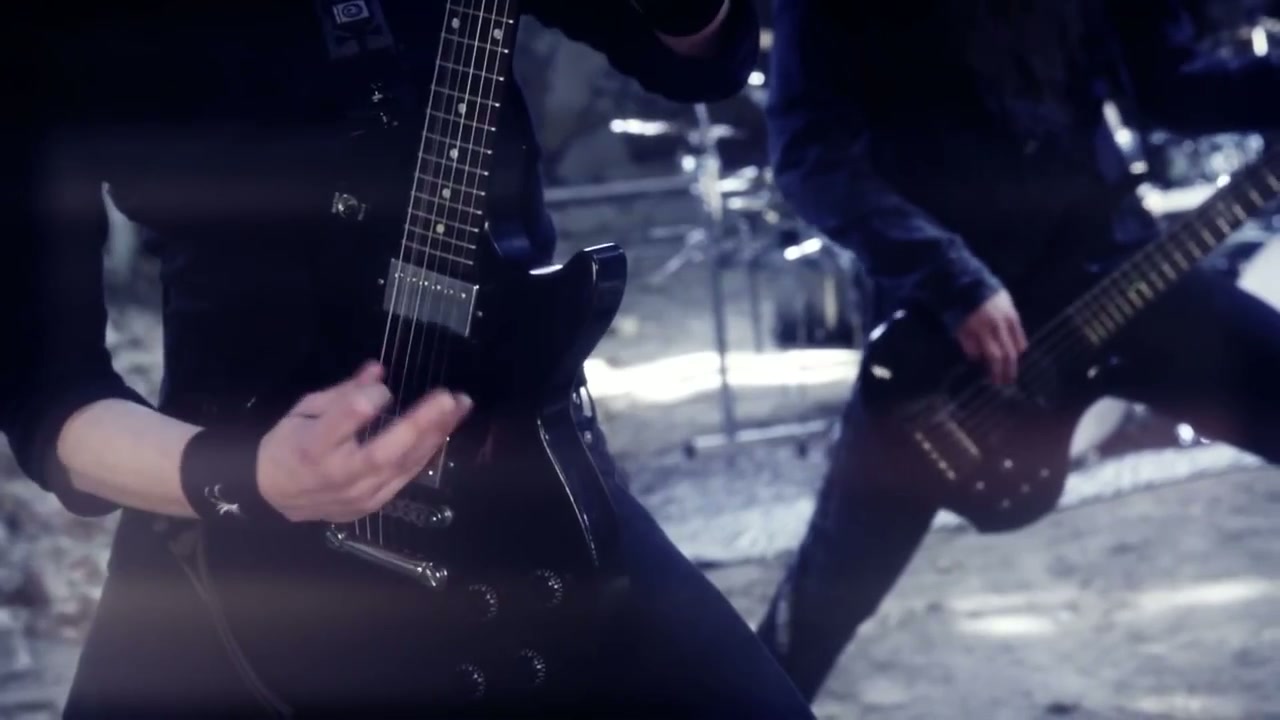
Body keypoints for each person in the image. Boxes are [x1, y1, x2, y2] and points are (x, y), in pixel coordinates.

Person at [7, 2, 816, 717]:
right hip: (234, 510)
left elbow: (694, 56)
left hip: (525, 470)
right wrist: (250, 478)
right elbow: (46, 390)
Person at [757, 0, 1280, 702]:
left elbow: (1169, 87)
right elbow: (808, 155)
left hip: (1114, 272)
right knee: (829, 591)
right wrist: (950, 277)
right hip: (949, 331)